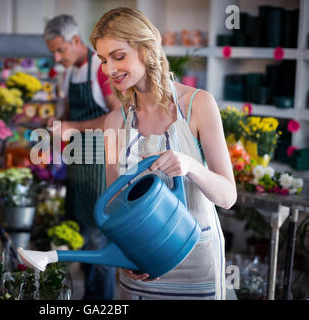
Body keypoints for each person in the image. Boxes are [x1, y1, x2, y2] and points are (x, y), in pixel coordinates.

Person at [90, 7, 237, 300]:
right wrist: (125, 252)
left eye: (118, 56)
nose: (109, 69)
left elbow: (228, 197)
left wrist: (191, 166)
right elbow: (115, 207)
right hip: (142, 270)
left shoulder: (198, 105)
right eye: (104, 60)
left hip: (198, 266)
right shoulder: (114, 122)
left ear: (146, 50)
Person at [43, 14, 121, 300]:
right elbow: (68, 114)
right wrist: (57, 122)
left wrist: (73, 127)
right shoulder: (69, 73)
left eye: (60, 49)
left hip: (100, 166)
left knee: (99, 243)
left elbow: (117, 115)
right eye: (52, 51)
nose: (56, 56)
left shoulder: (99, 70)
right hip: (77, 164)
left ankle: (101, 302)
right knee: (82, 236)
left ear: (76, 41)